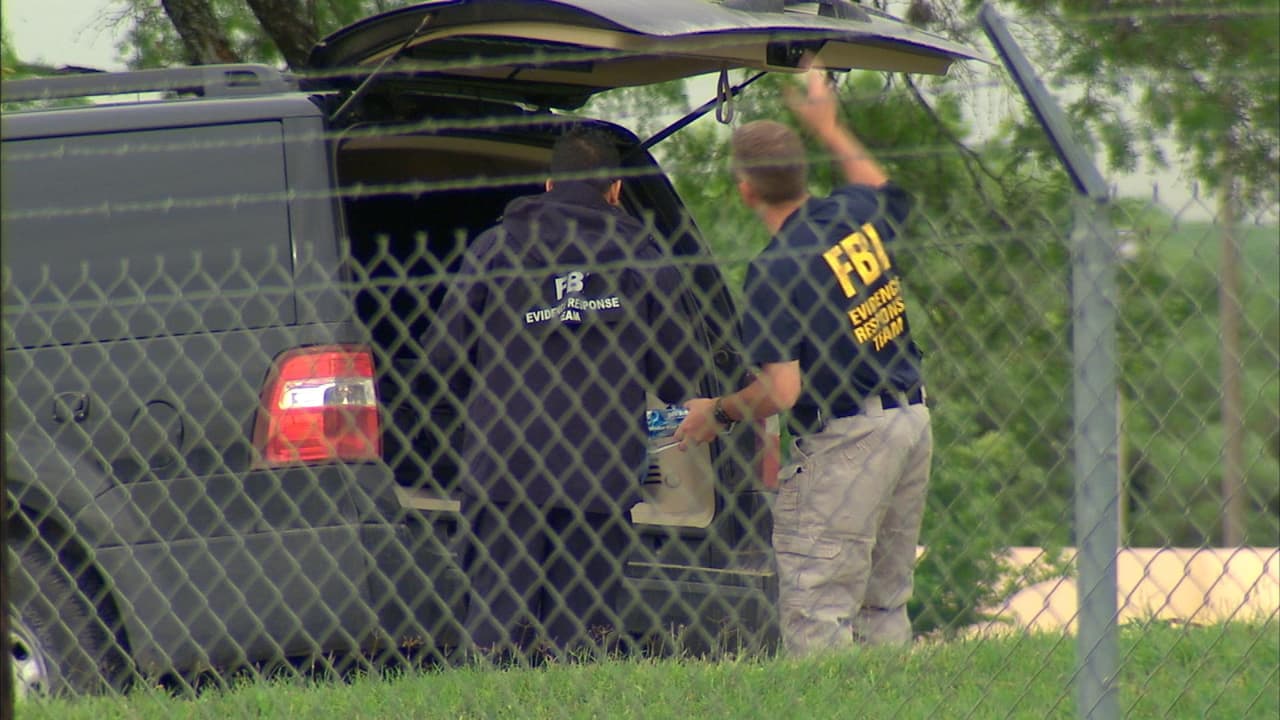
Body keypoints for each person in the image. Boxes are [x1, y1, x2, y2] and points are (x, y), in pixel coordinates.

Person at [674, 69, 933, 655]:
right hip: (911, 422)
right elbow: (884, 189)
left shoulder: (775, 269)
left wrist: (719, 411)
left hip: (850, 438)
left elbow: (783, 392)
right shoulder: (849, 215)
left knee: (818, 604)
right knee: (885, 599)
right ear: (803, 173)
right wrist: (829, 126)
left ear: (745, 189)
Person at [429, 127, 703, 662]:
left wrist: (483, 404)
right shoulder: (645, 257)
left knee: (493, 625)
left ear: (550, 183)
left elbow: (442, 356)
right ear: (616, 190)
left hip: (504, 467)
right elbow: (678, 376)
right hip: (598, 475)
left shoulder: (496, 246)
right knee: (581, 639)